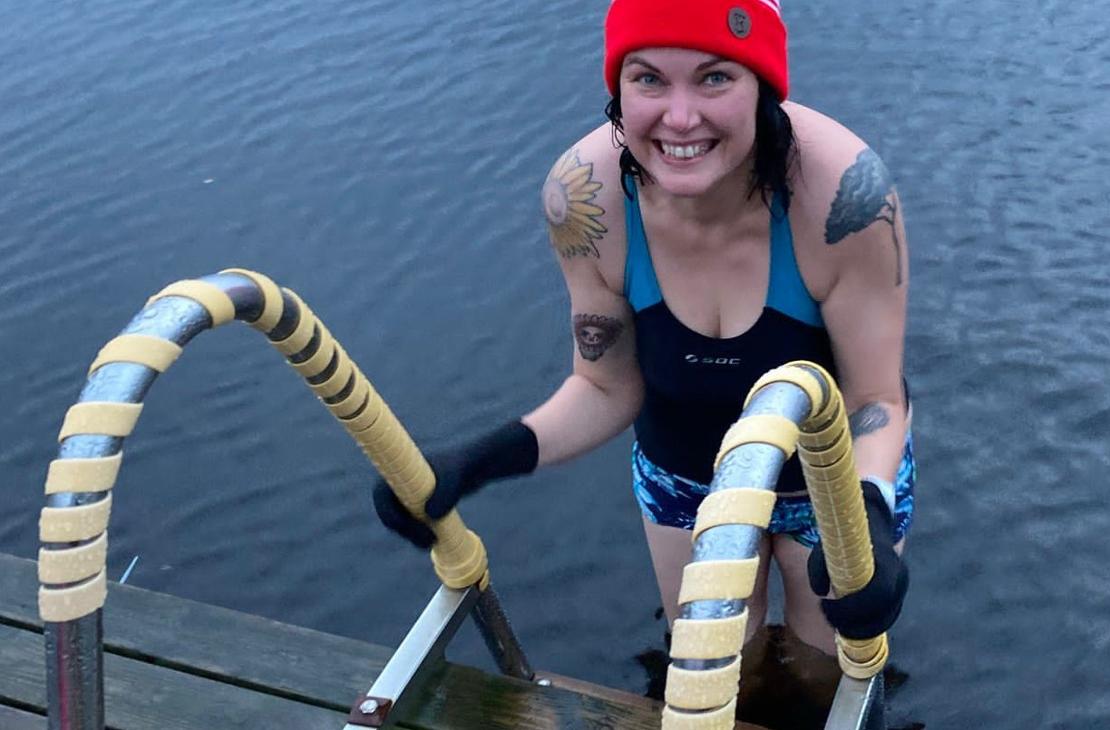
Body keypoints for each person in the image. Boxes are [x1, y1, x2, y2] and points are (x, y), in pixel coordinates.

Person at [374, 0, 913, 658]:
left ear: (762, 86)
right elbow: (605, 386)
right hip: (682, 477)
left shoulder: (845, 197)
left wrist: (871, 519)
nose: (679, 118)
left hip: (832, 485)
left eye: (715, 77)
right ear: (619, 87)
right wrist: (473, 465)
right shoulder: (585, 197)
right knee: (709, 664)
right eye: (649, 78)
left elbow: (875, 396)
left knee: (825, 667)